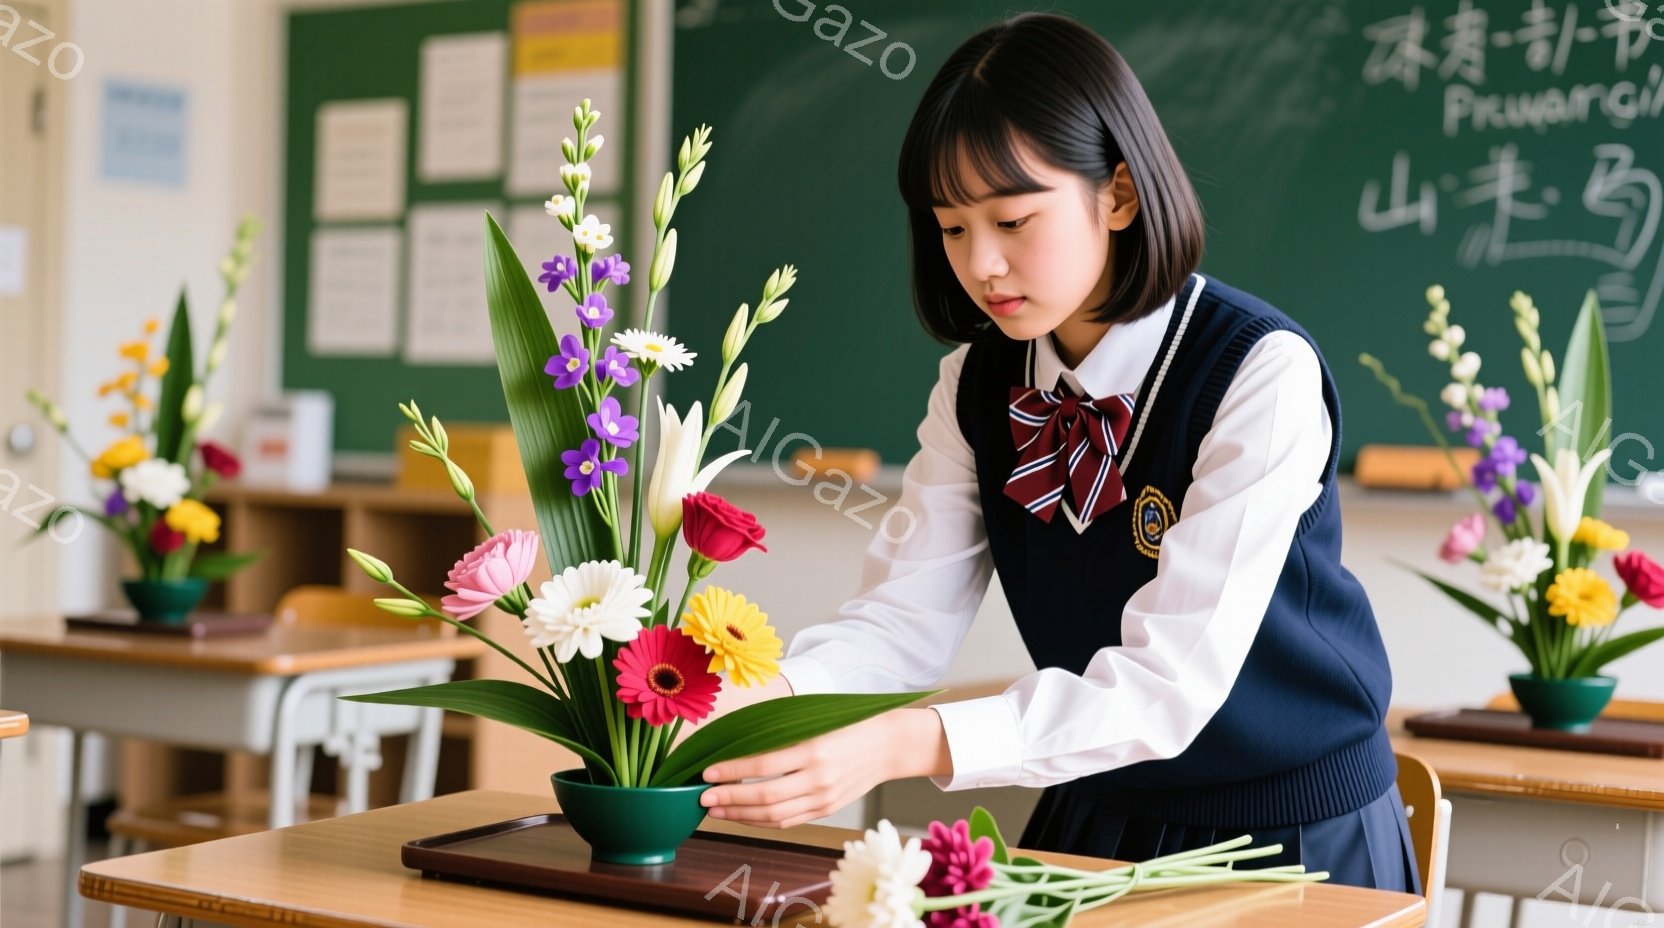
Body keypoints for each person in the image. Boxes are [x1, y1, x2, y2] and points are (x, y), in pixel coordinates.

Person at [694, 11, 1418, 892]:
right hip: (1094, 803)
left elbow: (1167, 686)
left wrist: (904, 741)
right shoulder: (973, 383)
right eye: (953, 228)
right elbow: (901, 622)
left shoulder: (1259, 372)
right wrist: (758, 703)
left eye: (1013, 220)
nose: (983, 265)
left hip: (1294, 833)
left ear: (1117, 194)